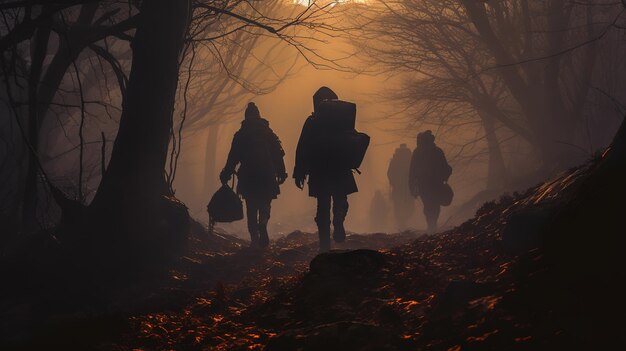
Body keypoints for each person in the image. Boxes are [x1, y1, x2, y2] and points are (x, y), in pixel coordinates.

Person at [293, 86, 358, 252]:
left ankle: (324, 246)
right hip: (340, 168)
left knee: (322, 207)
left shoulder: (312, 122)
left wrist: (299, 172)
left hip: (319, 170)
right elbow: (353, 140)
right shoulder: (344, 120)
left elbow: (302, 147)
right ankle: (339, 219)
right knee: (341, 199)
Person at [220, 102, 287, 248]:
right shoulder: (268, 133)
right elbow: (278, 154)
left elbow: (233, 157)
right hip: (267, 173)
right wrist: (282, 172)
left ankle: (254, 240)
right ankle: (263, 222)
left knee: (251, 206)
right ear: (258, 115)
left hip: (248, 174)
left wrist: (226, 173)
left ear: (246, 116)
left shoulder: (241, 134)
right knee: (265, 202)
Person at [408, 130, 452, 234]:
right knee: (435, 204)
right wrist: (445, 177)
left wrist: (412, 187)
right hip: (436, 183)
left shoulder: (417, 152)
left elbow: (412, 171)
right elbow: (446, 167)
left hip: (423, 184)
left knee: (428, 204)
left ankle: (431, 224)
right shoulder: (437, 151)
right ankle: (433, 224)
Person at [387, 143, 415, 230]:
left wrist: (393, 182)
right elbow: (415, 171)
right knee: (410, 205)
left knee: (398, 205)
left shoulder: (395, 159)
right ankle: (404, 220)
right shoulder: (411, 159)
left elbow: (389, 173)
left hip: (398, 187)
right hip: (408, 187)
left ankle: (402, 222)